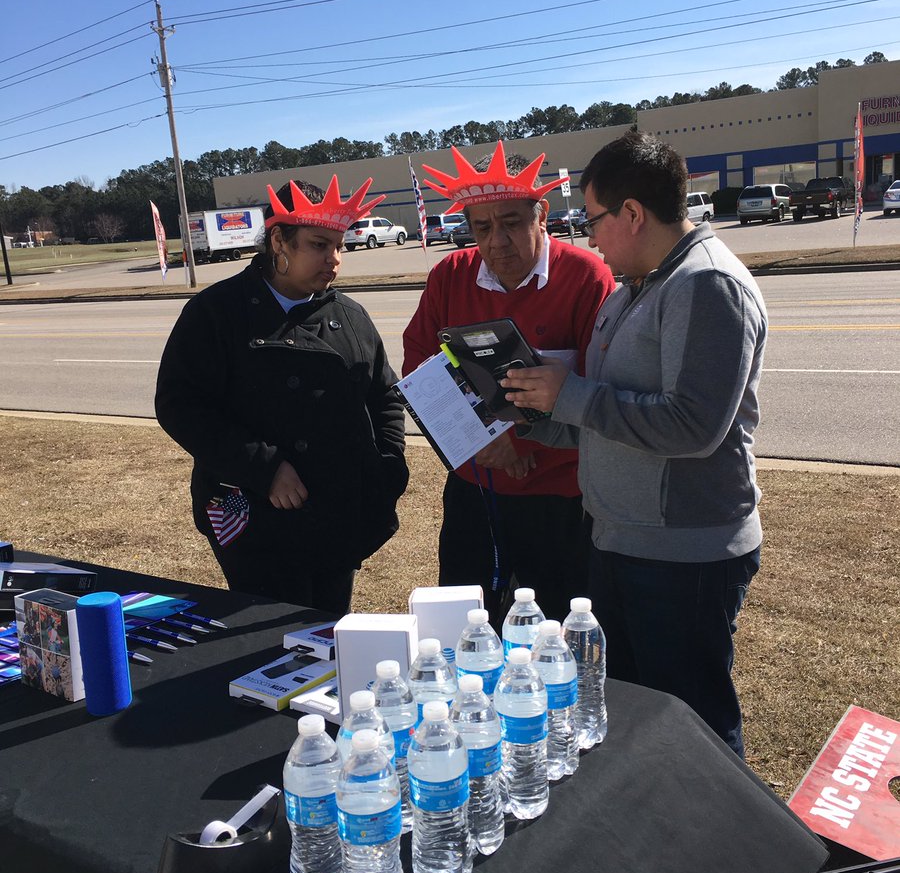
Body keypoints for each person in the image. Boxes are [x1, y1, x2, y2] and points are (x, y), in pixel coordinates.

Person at [503, 131, 767, 757]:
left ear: (631, 213)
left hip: (683, 553)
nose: (588, 237)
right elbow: (607, 414)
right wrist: (532, 414)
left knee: (692, 726)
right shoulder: (638, 286)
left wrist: (568, 396)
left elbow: (693, 427)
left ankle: (713, 847)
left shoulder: (705, 286)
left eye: (592, 220)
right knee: (633, 714)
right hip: (622, 541)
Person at [155, 176, 409, 615]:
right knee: (271, 644)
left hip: (338, 516)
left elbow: (384, 395)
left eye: (339, 246)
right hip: (254, 516)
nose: (334, 260)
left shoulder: (350, 316)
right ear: (279, 241)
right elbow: (180, 405)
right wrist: (264, 466)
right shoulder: (216, 313)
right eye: (318, 244)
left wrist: (388, 467)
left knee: (330, 632)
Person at [402, 141, 615, 625]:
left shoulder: (587, 277)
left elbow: (600, 389)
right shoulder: (449, 276)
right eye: (481, 227)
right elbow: (419, 366)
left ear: (541, 215)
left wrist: (519, 439)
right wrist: (483, 439)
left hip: (560, 495)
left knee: (558, 631)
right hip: (475, 490)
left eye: (512, 223)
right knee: (462, 628)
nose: (497, 241)